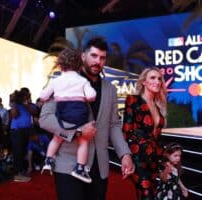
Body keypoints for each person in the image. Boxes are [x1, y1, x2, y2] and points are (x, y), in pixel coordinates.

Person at [39, 37, 135, 200]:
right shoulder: (63, 81)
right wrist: (77, 131)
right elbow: (45, 119)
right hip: (68, 164)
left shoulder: (110, 89)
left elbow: (113, 125)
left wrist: (124, 154)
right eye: (94, 56)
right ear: (83, 56)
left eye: (102, 58)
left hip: (99, 167)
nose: (98, 61)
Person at [39, 48, 96, 183]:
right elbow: (92, 96)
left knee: (56, 138)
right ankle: (80, 168)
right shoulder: (82, 81)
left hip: (62, 115)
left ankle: (48, 161)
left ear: (60, 64)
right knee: (83, 141)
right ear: (79, 64)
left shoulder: (55, 80)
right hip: (79, 116)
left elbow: (43, 96)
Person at [122, 67, 168, 199]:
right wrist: (126, 157)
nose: (157, 81)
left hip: (154, 160)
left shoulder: (158, 106)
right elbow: (126, 132)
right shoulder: (133, 100)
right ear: (144, 82)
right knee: (147, 194)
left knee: (150, 195)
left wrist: (165, 162)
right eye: (152, 78)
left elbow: (157, 138)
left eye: (159, 78)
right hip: (138, 159)